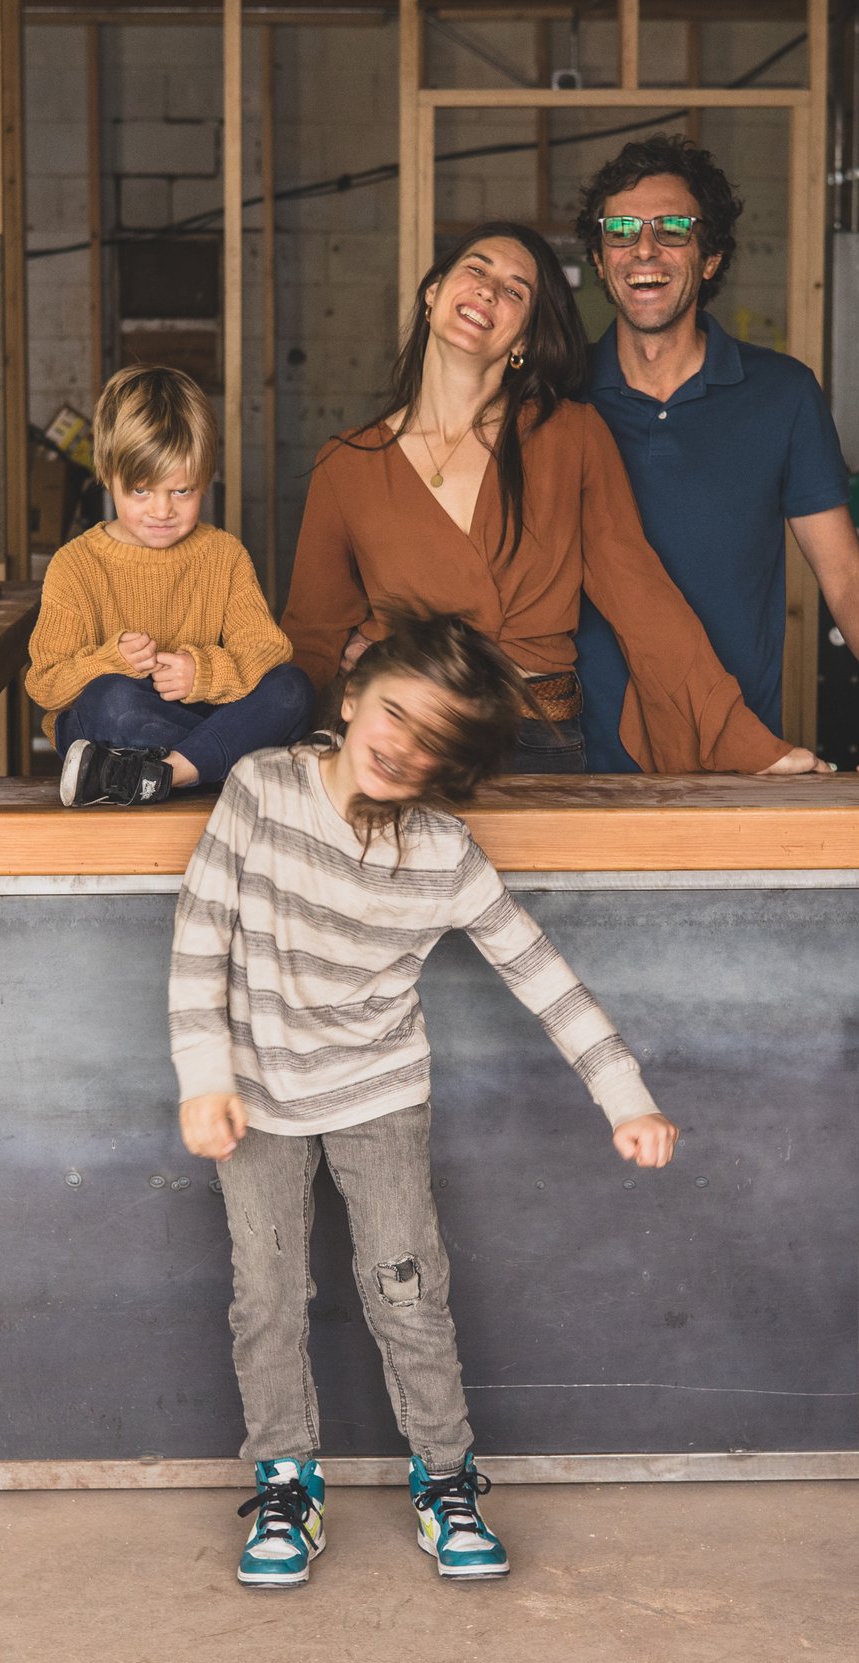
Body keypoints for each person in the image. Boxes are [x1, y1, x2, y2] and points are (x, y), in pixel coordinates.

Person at [168, 611, 683, 1588]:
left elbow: (542, 973)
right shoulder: (261, 788)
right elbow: (199, 938)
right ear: (354, 694)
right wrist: (204, 1078)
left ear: (453, 767)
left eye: (434, 740)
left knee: (407, 1286)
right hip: (256, 1090)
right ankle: (286, 1480)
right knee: (266, 1292)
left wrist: (625, 1095)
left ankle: (445, 1477)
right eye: (396, 713)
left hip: (379, 1089)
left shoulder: (444, 854)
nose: (403, 745)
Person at [281, 219, 818, 777]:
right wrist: (245, 741)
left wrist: (738, 737)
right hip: (403, 747)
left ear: (525, 341)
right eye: (476, 269)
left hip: (538, 743)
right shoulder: (347, 463)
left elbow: (639, 594)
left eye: (516, 291)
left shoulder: (571, 436)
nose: (489, 289)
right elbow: (313, 636)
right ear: (433, 293)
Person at [570, 134, 859, 775]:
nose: (644, 248)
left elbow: (844, 574)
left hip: (741, 760)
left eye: (673, 228)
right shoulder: (558, 397)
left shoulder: (782, 394)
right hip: (575, 761)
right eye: (621, 229)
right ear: (601, 262)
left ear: (710, 258)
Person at [26, 364, 314, 807]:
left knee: (292, 687)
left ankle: (164, 774)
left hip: (195, 714)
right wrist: (111, 660)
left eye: (182, 492)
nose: (162, 510)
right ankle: (226, 761)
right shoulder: (76, 564)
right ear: (107, 473)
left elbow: (266, 648)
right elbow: (45, 685)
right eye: (141, 491)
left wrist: (203, 673)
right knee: (112, 700)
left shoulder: (224, 555)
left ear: (205, 479)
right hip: (125, 720)